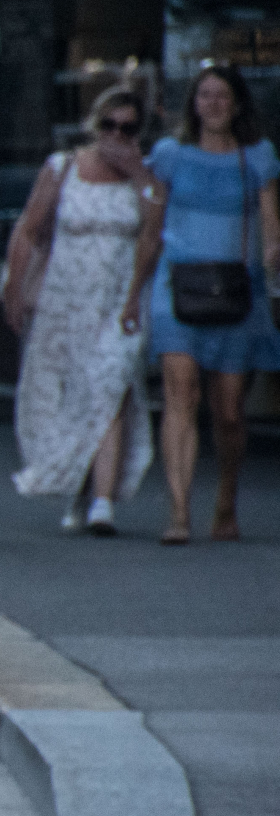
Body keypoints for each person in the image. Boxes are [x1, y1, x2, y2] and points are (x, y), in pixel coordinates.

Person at [1, 87, 164, 535]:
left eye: (127, 128)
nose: (116, 135)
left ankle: (103, 502)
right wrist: (15, 286)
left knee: (109, 388)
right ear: (94, 125)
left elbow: (153, 235)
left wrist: (136, 174)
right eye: (108, 125)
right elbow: (31, 229)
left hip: (118, 299)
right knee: (74, 396)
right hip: (65, 298)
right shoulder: (63, 167)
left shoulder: (146, 179)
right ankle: (78, 489)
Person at [141, 64, 280, 543]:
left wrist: (272, 253)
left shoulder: (257, 158)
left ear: (238, 103)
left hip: (237, 292)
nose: (214, 104)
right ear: (193, 104)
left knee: (229, 412)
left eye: (222, 96)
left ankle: (226, 497)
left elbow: (271, 220)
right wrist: (131, 291)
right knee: (180, 392)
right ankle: (178, 511)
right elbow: (151, 228)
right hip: (176, 285)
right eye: (204, 95)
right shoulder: (170, 155)